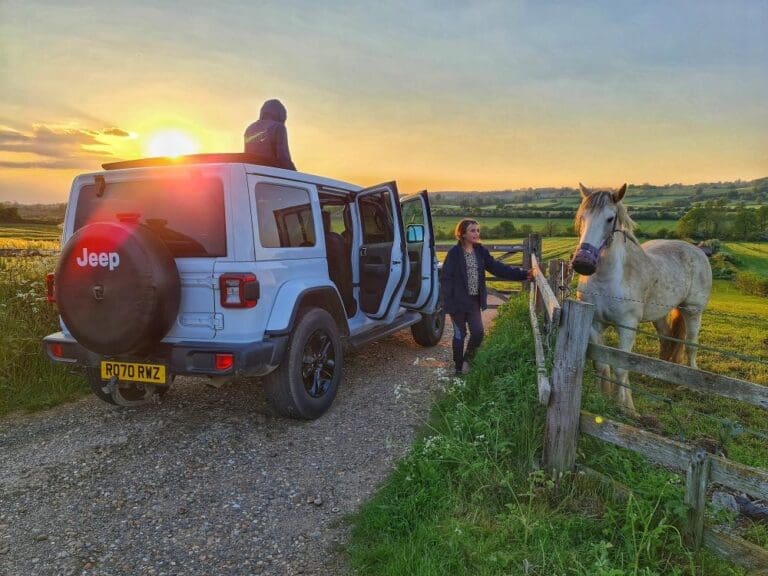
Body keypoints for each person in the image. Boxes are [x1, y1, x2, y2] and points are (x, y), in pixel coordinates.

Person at [441, 218, 532, 376]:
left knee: (478, 333)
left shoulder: (480, 251)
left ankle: (468, 360)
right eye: (472, 230)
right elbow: (446, 280)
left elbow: (497, 268)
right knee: (459, 335)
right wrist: (449, 303)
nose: (476, 233)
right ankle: (458, 367)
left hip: (473, 302)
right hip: (457, 303)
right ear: (462, 233)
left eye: (477, 230)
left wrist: (523, 275)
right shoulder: (454, 254)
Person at [244, 99, 296, 170]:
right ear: (280, 113)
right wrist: (295, 173)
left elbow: (247, 156)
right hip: (272, 174)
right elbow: (283, 158)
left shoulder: (249, 129)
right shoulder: (278, 127)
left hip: (253, 173)